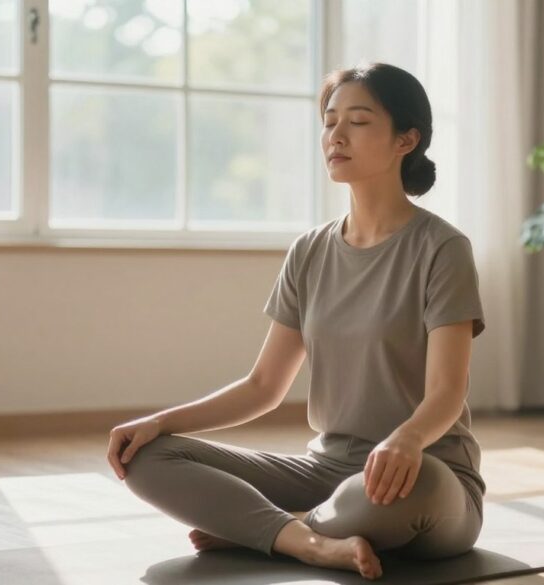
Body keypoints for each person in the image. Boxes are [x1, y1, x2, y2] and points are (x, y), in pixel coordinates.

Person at [106, 62, 486, 581]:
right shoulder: (309, 251)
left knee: (394, 493)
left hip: (427, 475)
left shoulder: (443, 248)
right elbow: (263, 386)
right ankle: (309, 542)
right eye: (329, 122)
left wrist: (408, 439)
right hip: (326, 473)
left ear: (406, 140)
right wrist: (159, 422)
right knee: (148, 458)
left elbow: (446, 391)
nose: (337, 136)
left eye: (358, 121)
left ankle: (269, 529)